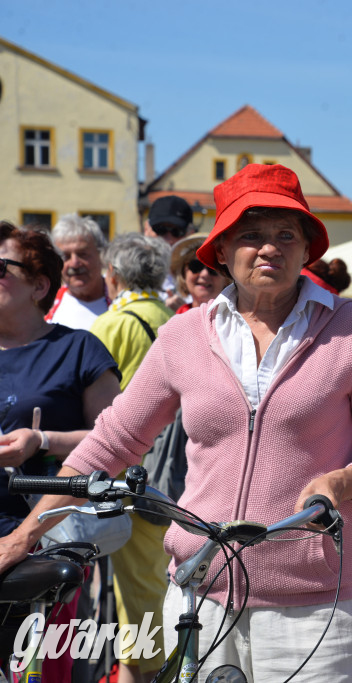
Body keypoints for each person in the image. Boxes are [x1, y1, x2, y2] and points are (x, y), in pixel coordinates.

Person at [0, 164, 352, 681]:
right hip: (199, 597)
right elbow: (111, 442)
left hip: (312, 608)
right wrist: (22, 538)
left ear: (307, 247)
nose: (270, 248)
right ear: (220, 251)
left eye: (287, 234)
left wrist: (341, 482)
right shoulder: (183, 335)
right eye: (251, 235)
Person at [0, 221, 121, 683]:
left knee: (43, 670)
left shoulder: (77, 349)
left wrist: (43, 440)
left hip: (46, 537)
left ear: (38, 284)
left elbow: (117, 441)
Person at [88, 233, 175, 682]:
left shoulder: (111, 324)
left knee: (135, 583)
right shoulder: (174, 317)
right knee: (161, 575)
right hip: (174, 471)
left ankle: (142, 670)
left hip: (128, 474)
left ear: (115, 275)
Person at [45, 214, 110, 329]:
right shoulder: (45, 305)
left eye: (82, 254)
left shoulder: (121, 303)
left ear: (101, 255)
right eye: (66, 256)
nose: (74, 263)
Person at [144, 195, 196, 309]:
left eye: (176, 231)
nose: (168, 239)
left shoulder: (203, 276)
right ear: (146, 229)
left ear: (190, 234)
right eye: (160, 230)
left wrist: (187, 314)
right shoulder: (127, 274)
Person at [169, 233, 232, 314]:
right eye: (196, 266)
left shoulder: (237, 319)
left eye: (213, 267)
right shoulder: (173, 318)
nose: (204, 274)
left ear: (226, 278)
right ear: (183, 274)